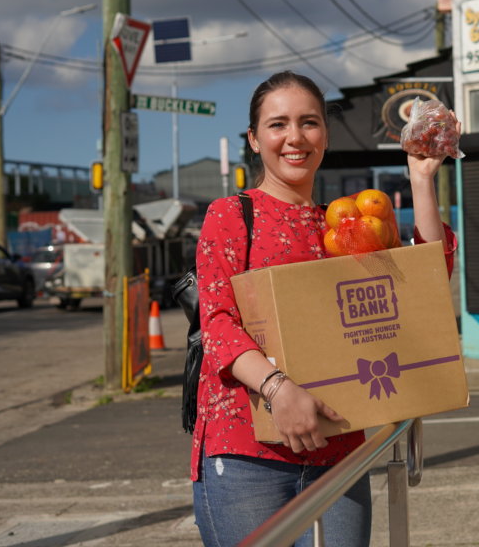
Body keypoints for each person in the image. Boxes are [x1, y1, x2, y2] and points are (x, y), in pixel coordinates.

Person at [191, 70, 458, 547]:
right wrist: (278, 389)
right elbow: (217, 324)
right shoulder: (231, 215)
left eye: (309, 122)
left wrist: (421, 180)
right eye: (277, 125)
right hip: (247, 456)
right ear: (254, 139)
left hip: (337, 451)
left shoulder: (344, 224)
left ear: (325, 135)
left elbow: (424, 282)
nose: (294, 137)